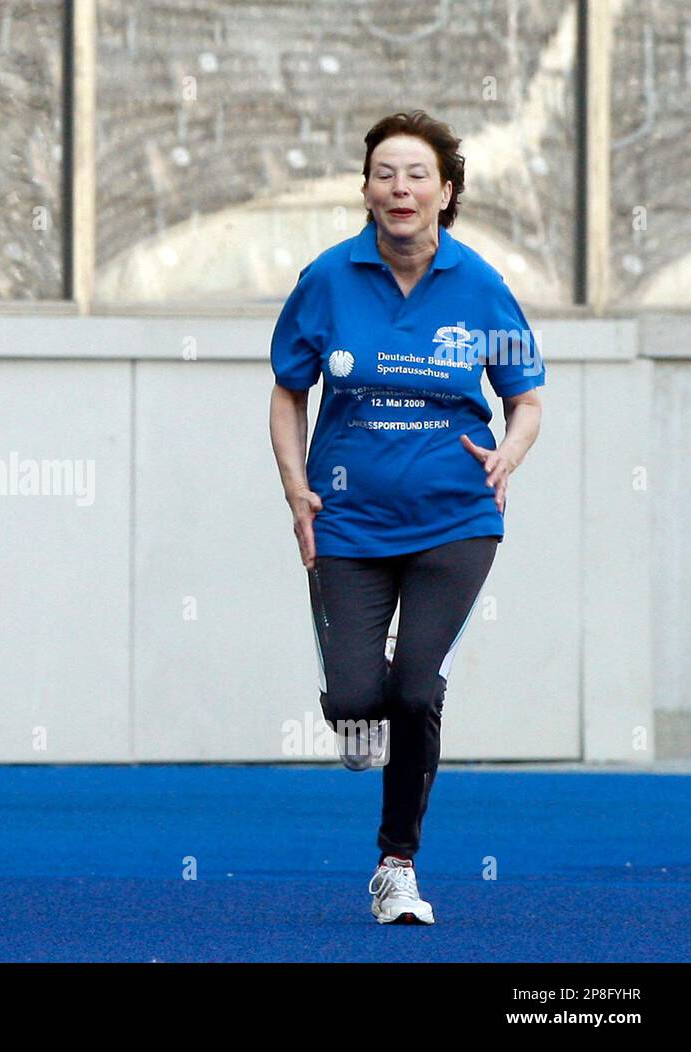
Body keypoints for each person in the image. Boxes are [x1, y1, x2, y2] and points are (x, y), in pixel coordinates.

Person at [268, 110, 543, 925]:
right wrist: (294, 490)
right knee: (357, 697)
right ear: (365, 190)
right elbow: (289, 391)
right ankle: (363, 700)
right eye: (385, 173)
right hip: (346, 521)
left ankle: (397, 866)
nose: (400, 187)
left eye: (418, 174)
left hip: (455, 520)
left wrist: (509, 456)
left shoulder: (480, 285)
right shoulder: (327, 279)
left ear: (445, 192)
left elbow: (525, 399)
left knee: (417, 692)